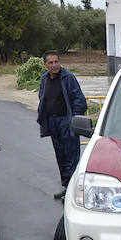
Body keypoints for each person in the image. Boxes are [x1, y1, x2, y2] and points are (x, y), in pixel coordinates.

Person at [37, 50, 87, 199]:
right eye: (51, 63)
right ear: (45, 65)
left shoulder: (68, 78)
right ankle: (66, 187)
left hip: (67, 121)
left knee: (71, 156)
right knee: (61, 157)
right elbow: (42, 97)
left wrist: (74, 120)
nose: (54, 65)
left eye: (56, 62)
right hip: (53, 122)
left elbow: (79, 100)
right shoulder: (45, 78)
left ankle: (73, 191)